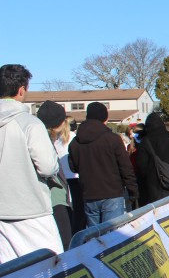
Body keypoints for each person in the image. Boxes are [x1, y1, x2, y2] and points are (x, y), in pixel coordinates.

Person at [0, 66, 63, 262]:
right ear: (22, 90)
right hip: (31, 209)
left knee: (11, 273)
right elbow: (47, 166)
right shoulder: (30, 123)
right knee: (52, 266)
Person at [68, 102, 138, 227]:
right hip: (112, 193)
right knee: (112, 234)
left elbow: (73, 167)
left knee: (95, 234)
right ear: (105, 118)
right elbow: (125, 167)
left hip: (89, 194)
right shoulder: (113, 139)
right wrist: (133, 190)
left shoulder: (75, 142)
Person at [36, 101, 75, 250]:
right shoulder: (43, 140)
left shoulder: (41, 137)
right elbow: (48, 168)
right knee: (65, 240)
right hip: (54, 196)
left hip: (49, 197)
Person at [134, 112, 169, 207]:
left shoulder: (145, 141)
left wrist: (149, 174)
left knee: (156, 209)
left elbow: (141, 163)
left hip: (152, 183)